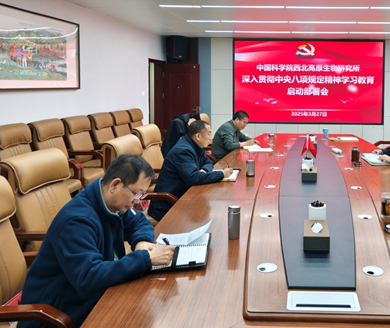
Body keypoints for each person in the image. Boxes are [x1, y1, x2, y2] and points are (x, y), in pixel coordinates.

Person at [19, 155, 176, 328]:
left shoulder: (113, 204)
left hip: (92, 297)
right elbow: (88, 277)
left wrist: (142, 242)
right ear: (115, 185)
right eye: (136, 193)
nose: (138, 200)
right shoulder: (77, 221)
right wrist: (145, 259)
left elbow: (139, 221)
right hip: (54, 315)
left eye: (142, 194)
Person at [148, 120, 233, 221]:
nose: (210, 138)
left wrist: (204, 170)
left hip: (183, 195)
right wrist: (222, 174)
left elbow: (208, 162)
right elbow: (194, 178)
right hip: (168, 204)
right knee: (206, 217)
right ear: (198, 136)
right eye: (209, 133)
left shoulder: (194, 145)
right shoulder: (183, 151)